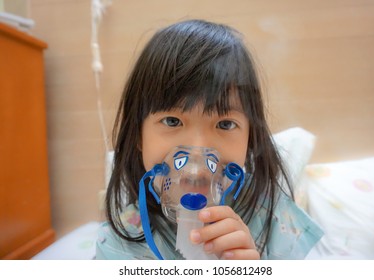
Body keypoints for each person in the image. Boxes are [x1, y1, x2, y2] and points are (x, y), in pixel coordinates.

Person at [96, 19, 323, 260]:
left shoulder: (271, 216)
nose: (197, 151)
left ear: (251, 139)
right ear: (137, 136)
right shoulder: (117, 243)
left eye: (225, 124)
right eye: (172, 121)